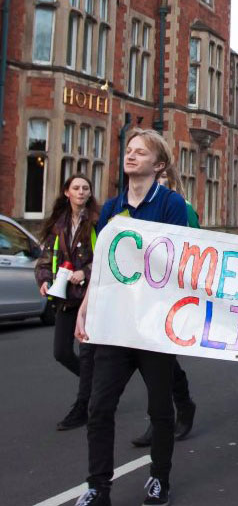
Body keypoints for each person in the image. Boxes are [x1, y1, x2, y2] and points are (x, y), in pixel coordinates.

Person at [75, 128, 190, 506]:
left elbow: (177, 260)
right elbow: (102, 265)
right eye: (128, 150)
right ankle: (98, 487)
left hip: (153, 324)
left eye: (140, 152)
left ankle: (159, 479)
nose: (131, 155)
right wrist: (86, 305)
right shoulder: (110, 208)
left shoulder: (171, 204)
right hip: (115, 324)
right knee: (98, 406)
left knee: (159, 408)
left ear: (158, 164)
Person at [128, 169, 199, 449]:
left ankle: (165, 416)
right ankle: (180, 405)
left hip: (166, 293)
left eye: (162, 182)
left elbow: (194, 248)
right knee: (148, 357)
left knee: (156, 357)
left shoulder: (180, 207)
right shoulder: (128, 207)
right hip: (136, 292)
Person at [36, 174, 98, 431]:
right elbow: (45, 258)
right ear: (67, 192)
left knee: (86, 355)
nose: (81, 192)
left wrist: (86, 272)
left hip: (89, 300)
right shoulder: (57, 226)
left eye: (86, 188)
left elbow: (109, 257)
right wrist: (44, 279)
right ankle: (96, 389)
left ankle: (83, 407)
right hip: (64, 298)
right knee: (61, 352)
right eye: (76, 187)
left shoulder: (97, 222)